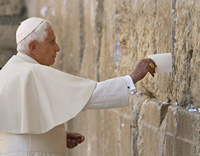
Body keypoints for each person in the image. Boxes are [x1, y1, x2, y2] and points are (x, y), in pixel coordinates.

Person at [0, 17, 156, 155]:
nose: (57, 48)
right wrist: (132, 78)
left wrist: (55, 135)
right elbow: (89, 95)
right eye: (51, 41)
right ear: (33, 47)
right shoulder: (33, 73)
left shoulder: (8, 71)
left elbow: (19, 125)